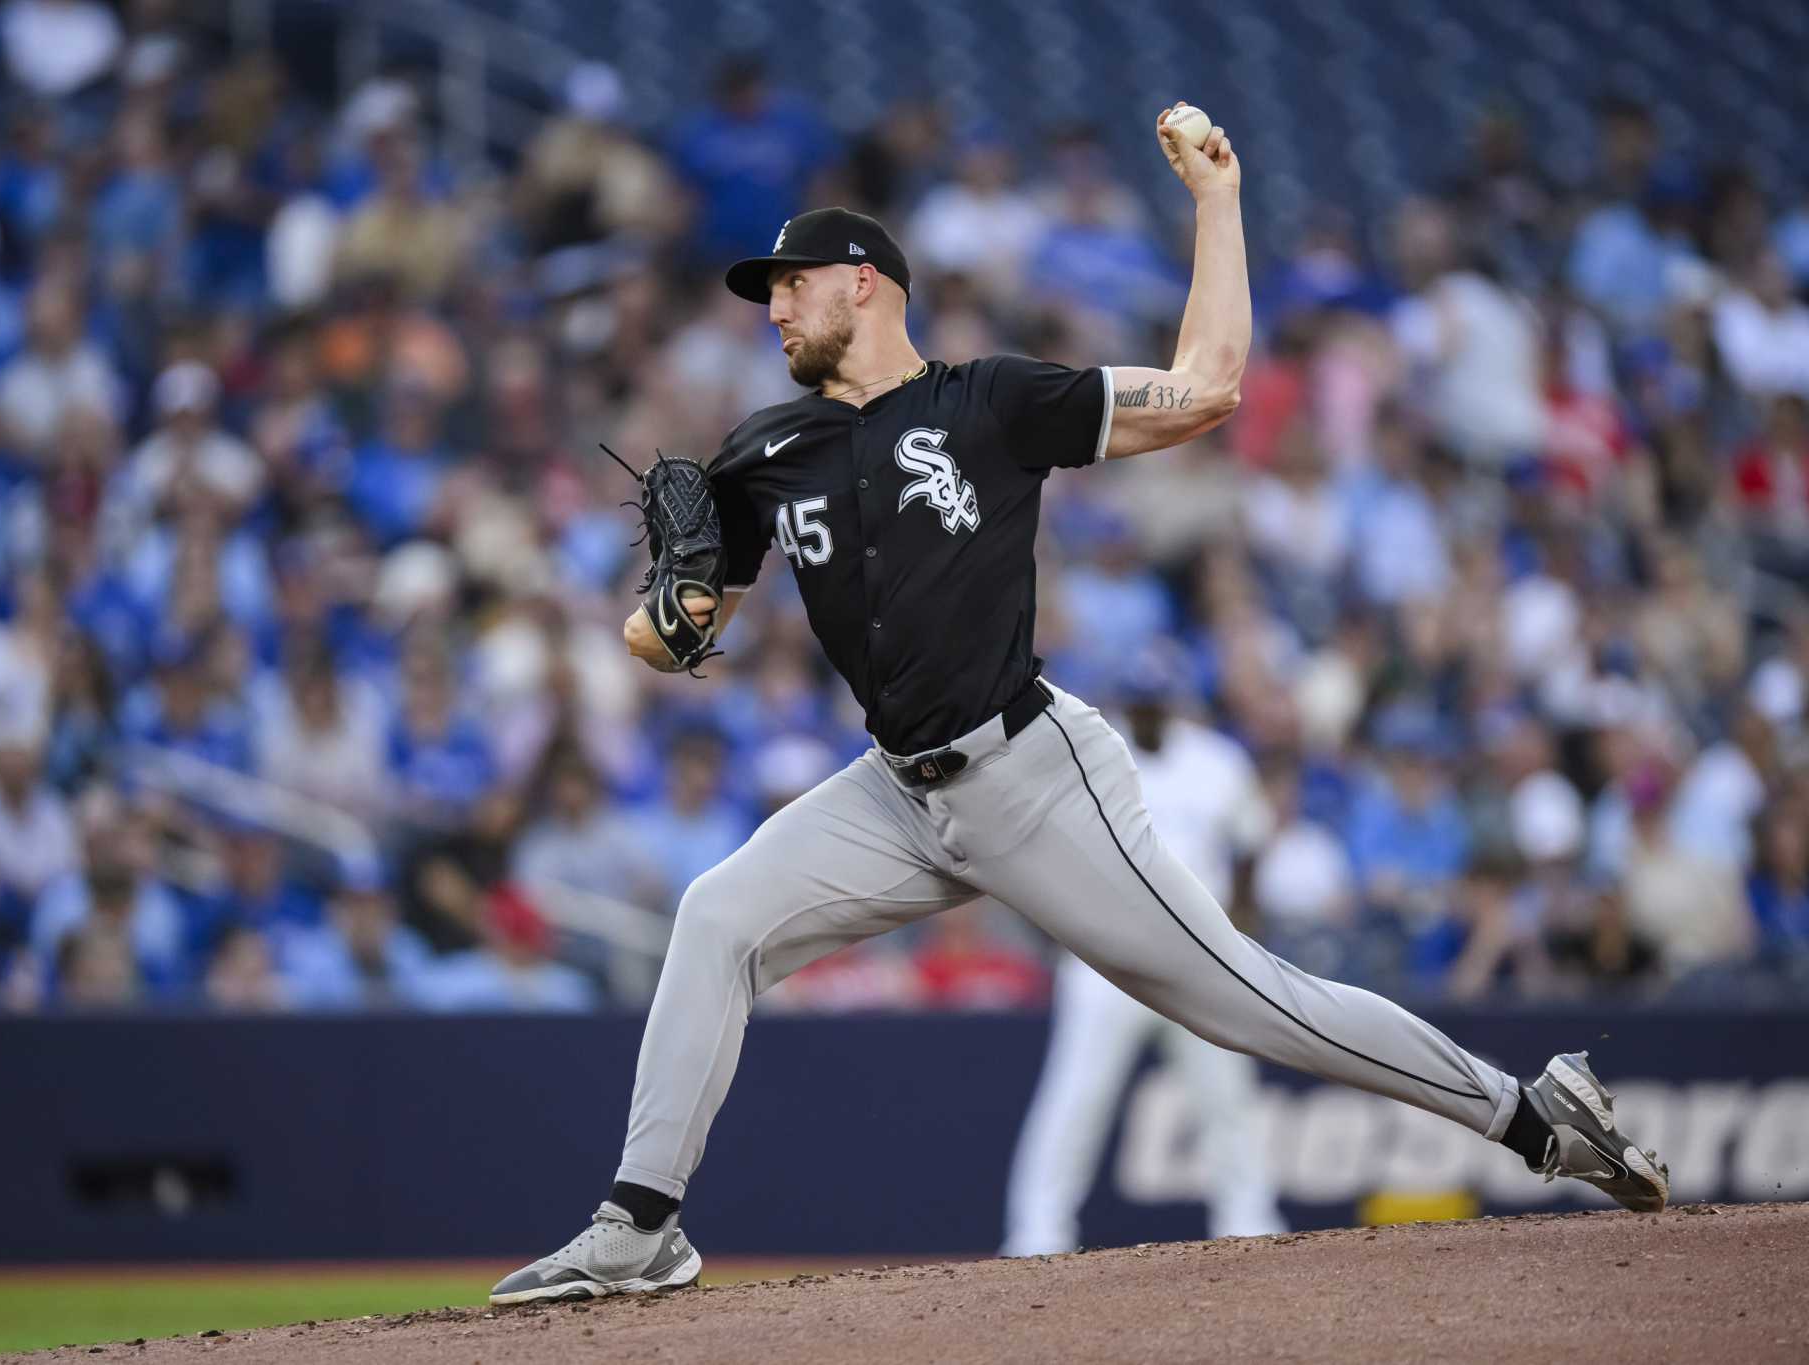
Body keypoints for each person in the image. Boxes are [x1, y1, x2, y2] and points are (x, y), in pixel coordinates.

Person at [491, 105, 1667, 1308]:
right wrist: (674, 611)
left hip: (1033, 777)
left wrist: (1216, 203)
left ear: (864, 283)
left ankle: (1533, 1119)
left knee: (1247, 1004)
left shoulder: (988, 403)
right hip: (893, 792)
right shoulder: (764, 448)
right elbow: (673, 631)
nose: (773, 308)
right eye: (766, 295)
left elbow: (1207, 391)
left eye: (790, 286)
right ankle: (640, 1224)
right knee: (716, 916)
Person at [1000, 654, 1285, 1256]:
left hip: (1198, 955)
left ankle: (1249, 1217)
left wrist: (1238, 937)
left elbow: (1251, 847)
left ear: (1175, 702)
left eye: (1158, 702)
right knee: (1076, 1097)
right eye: (1140, 703)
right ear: (1126, 704)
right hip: (1108, 957)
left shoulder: (1215, 761)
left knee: (1225, 1094)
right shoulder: (1089, 753)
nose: (1149, 712)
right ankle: (1038, 1232)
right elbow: (1045, 853)